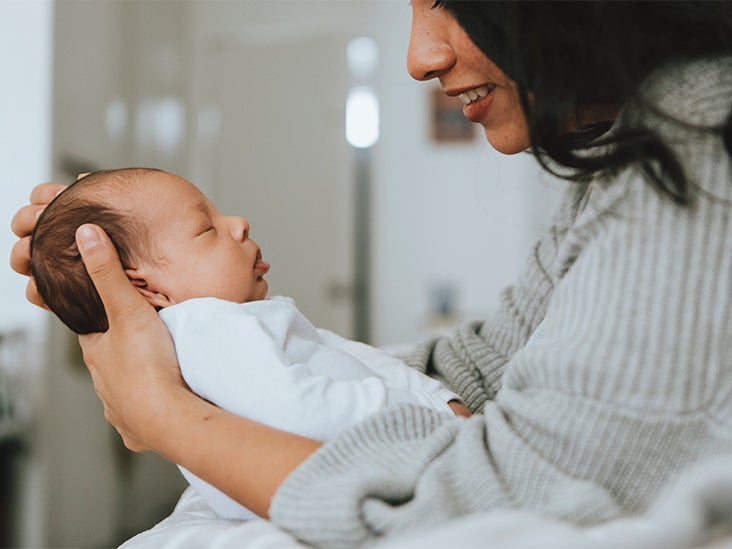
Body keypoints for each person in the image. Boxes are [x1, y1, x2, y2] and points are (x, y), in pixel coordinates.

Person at [10, 1, 732, 547]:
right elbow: (480, 367)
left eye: (446, 0)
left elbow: (508, 494)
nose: (418, 57)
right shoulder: (632, 148)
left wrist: (166, 413)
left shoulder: (699, 144)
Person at [29, 167, 469, 519]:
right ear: (148, 288)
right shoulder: (206, 326)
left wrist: (434, 395)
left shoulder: (230, 322)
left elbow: (344, 356)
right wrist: (434, 414)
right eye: (206, 229)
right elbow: (300, 414)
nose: (239, 224)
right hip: (330, 479)